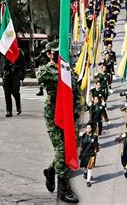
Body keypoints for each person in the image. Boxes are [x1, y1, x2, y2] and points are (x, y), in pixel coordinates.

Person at [37, 41, 80, 203]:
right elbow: (40, 77)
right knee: (61, 149)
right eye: (55, 52)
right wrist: (61, 73)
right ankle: (64, 188)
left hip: (68, 114)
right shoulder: (46, 69)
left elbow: (75, 91)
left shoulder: (68, 69)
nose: (59, 54)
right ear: (49, 54)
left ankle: (51, 170)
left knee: (69, 148)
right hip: (54, 115)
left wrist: (76, 112)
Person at [2, 48, 25, 117]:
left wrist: (23, 74)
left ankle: (18, 106)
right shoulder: (5, 50)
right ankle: (9, 111)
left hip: (16, 73)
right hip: (7, 73)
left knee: (15, 91)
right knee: (7, 93)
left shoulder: (19, 51)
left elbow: (23, 63)